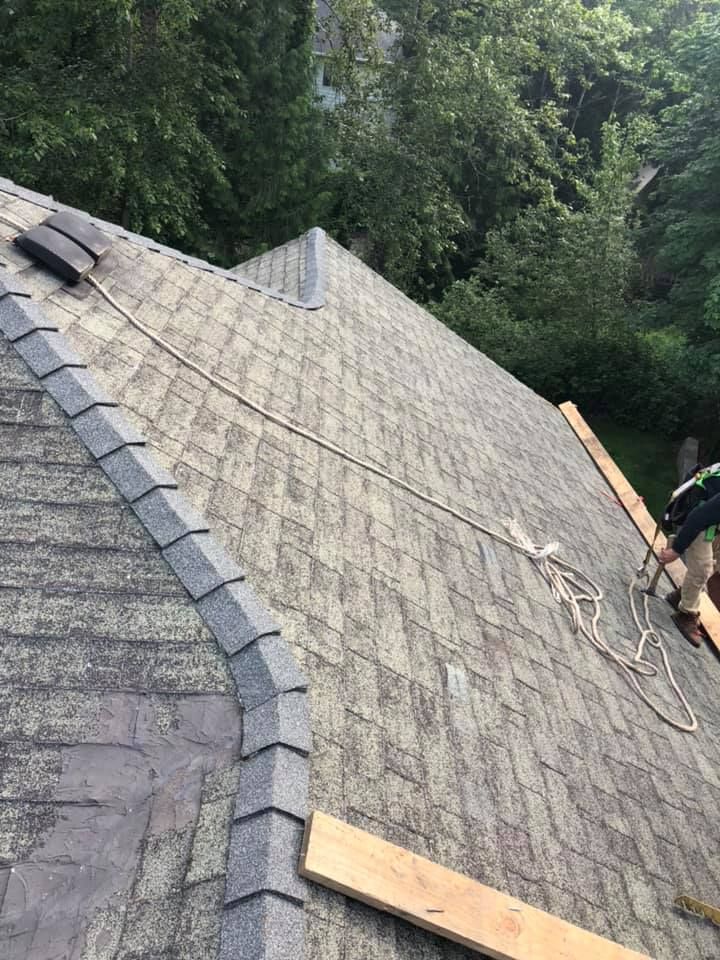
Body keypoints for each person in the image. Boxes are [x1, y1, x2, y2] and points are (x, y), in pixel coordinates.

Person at [659, 465, 720, 648]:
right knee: (702, 568)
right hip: (699, 521)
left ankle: (681, 595)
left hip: (714, 521)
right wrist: (676, 550)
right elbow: (698, 517)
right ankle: (686, 613)